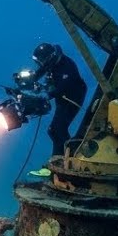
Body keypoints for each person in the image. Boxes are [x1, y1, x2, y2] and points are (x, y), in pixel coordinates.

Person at [29, 42, 88, 176]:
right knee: (54, 130)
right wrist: (30, 81)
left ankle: (71, 160)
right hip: (62, 99)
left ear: (49, 59)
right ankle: (60, 161)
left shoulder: (67, 67)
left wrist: (45, 94)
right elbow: (41, 72)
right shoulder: (53, 62)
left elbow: (61, 88)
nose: (40, 65)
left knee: (58, 129)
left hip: (71, 99)